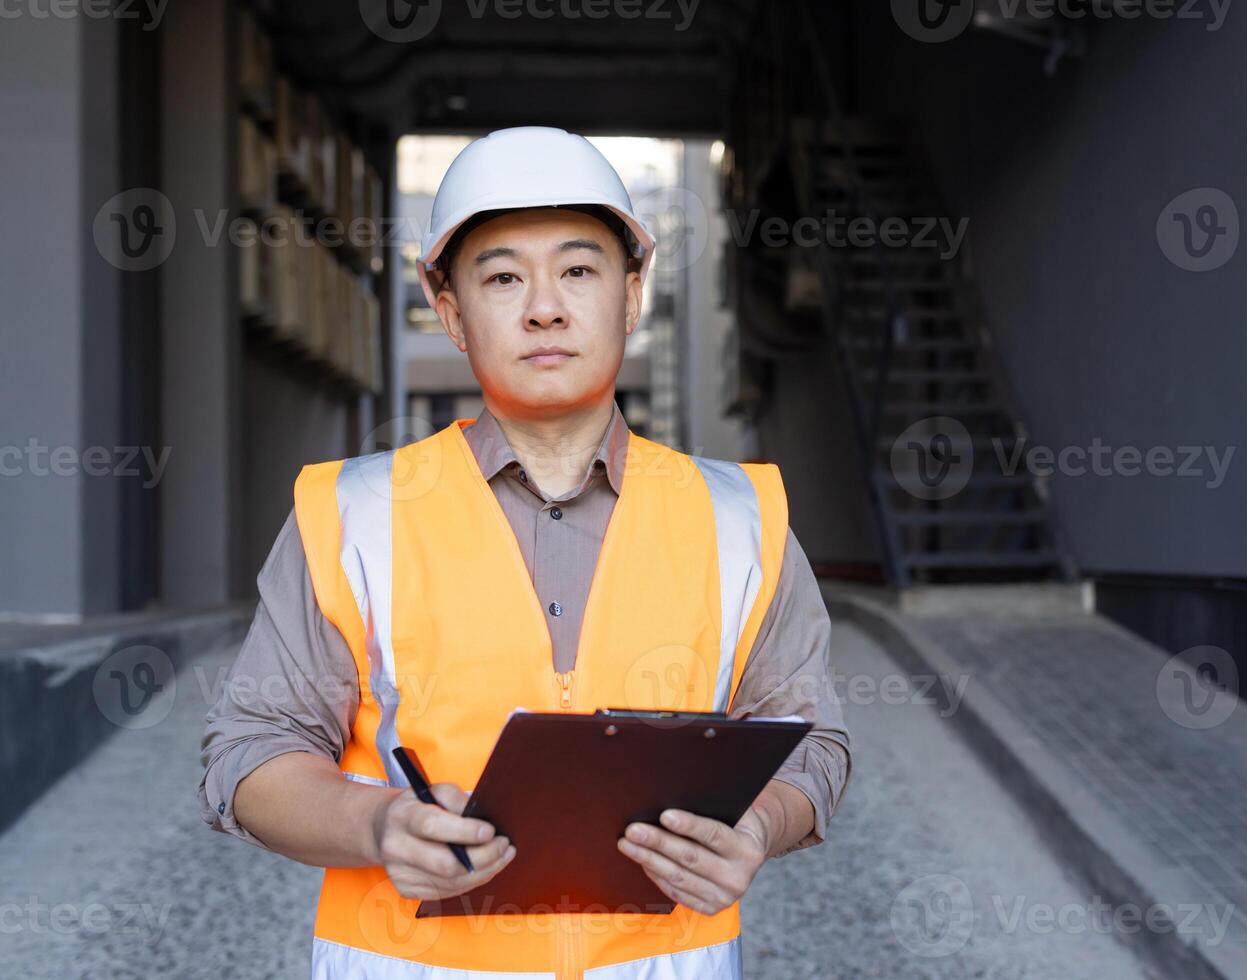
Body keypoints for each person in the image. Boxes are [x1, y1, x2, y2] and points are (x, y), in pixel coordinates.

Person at [198, 126, 851, 979]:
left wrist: (761, 826)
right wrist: (378, 827)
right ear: (451, 313)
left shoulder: (742, 516)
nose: (544, 306)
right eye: (503, 277)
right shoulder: (351, 513)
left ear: (632, 292)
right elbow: (249, 752)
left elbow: (811, 739)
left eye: (578, 270)